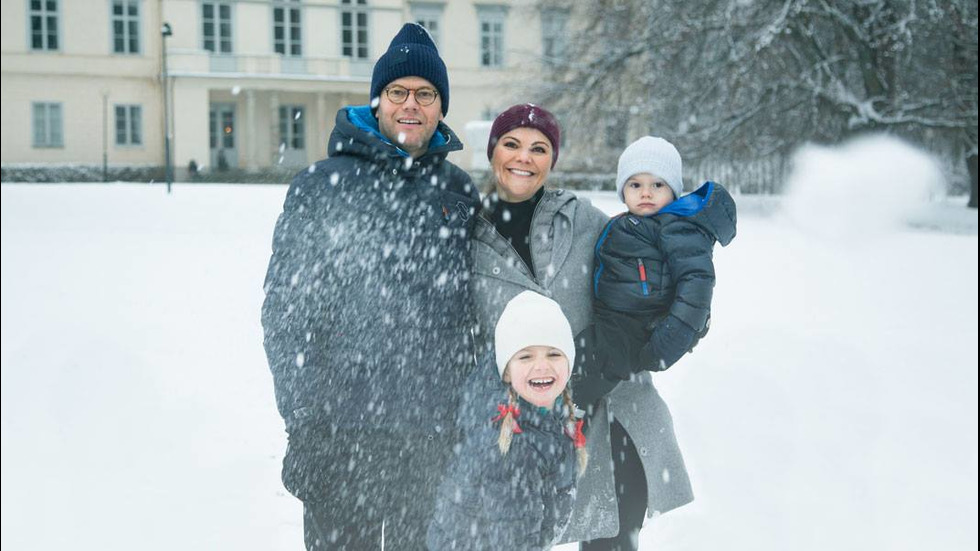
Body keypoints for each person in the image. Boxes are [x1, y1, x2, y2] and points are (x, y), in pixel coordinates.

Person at [260, 23, 479, 550]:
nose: (411, 104)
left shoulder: (458, 191)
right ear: (378, 101)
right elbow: (287, 315)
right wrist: (306, 425)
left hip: (432, 440)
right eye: (398, 91)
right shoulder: (321, 186)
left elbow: (475, 314)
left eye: (425, 94)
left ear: (440, 108)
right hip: (341, 436)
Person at [468, 104, 694, 551]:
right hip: (520, 427)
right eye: (511, 144)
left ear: (553, 160)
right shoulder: (468, 241)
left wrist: (684, 314)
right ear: (493, 151)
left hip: (613, 419)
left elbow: (654, 291)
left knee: (611, 541)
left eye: (539, 148)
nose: (523, 158)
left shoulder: (586, 221)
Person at [427, 290, 587, 550]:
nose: (541, 366)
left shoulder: (546, 418)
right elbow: (513, 542)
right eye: (526, 356)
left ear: (569, 363)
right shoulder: (513, 446)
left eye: (553, 354)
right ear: (506, 373)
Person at [589, 135, 737, 381]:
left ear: (673, 191)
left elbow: (696, 283)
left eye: (657, 185)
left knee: (588, 376)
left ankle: (573, 412)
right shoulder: (633, 222)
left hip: (637, 328)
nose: (646, 193)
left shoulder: (676, 228)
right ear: (623, 191)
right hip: (611, 321)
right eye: (635, 185)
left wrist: (673, 336)